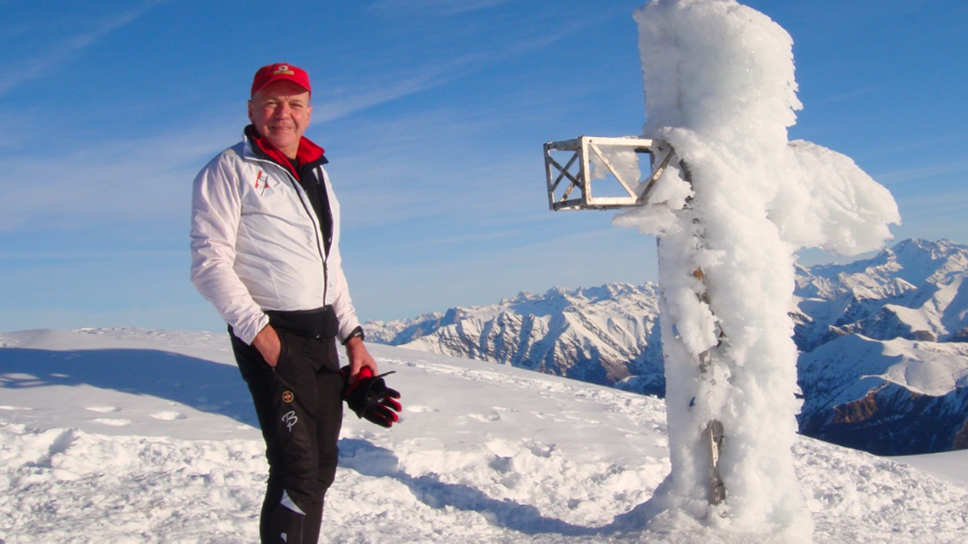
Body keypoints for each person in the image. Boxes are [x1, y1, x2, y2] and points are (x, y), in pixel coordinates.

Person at [190, 62, 377, 544]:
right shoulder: (229, 170)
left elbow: (329, 266)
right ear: (251, 109)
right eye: (271, 102)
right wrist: (264, 339)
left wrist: (354, 339)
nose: (283, 114)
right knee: (296, 468)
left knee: (320, 469)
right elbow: (209, 265)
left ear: (309, 113)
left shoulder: (318, 175)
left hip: (321, 336)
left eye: (294, 104)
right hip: (271, 335)